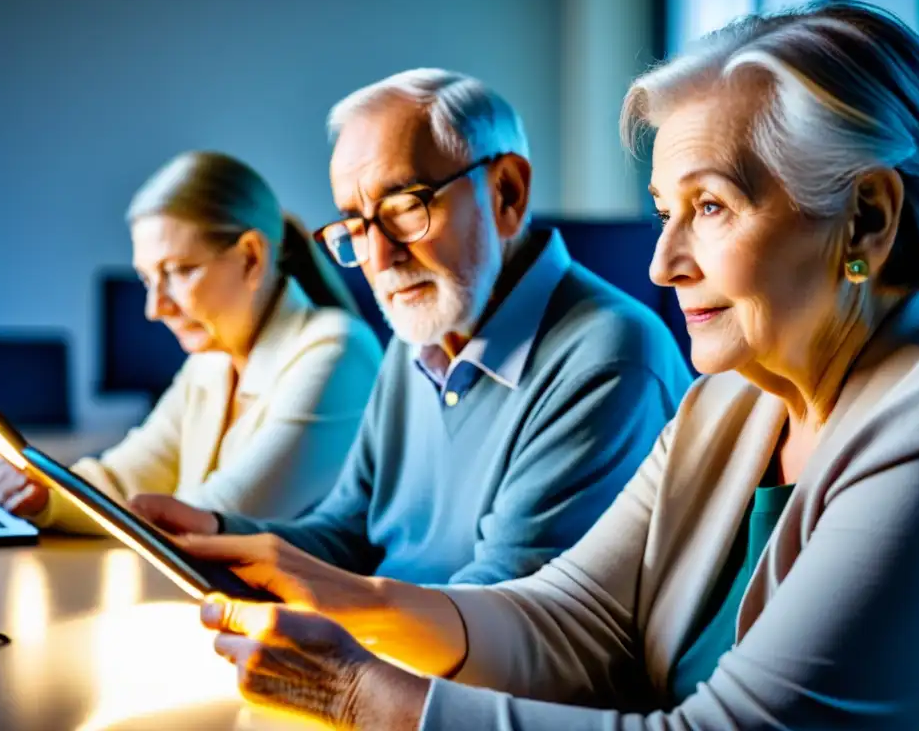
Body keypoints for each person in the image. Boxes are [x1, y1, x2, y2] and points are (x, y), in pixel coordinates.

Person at [178, 3, 919, 729]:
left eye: (710, 208)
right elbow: (577, 617)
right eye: (667, 213)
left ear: (868, 218)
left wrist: (365, 696)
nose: (663, 264)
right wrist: (350, 600)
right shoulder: (733, 402)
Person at [131, 69, 692, 586]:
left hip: (463, 678)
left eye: (404, 206)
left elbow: (507, 612)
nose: (378, 255)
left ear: (506, 194)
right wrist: (217, 532)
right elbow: (352, 533)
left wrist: (333, 644)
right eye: (354, 222)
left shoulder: (610, 356)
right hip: (397, 656)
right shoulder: (418, 339)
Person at [0, 151, 383, 532]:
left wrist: (60, 498)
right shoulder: (212, 363)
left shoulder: (337, 351)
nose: (154, 307)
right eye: (148, 279)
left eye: (179, 271)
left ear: (252, 258)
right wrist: (42, 490)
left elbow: (213, 519)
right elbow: (124, 477)